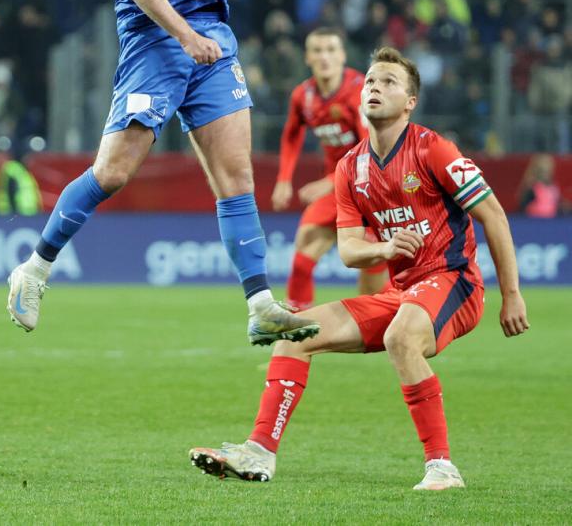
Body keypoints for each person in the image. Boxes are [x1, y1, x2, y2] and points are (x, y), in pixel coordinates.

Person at [6, 0, 353, 344]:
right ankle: (35, 268)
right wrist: (184, 35)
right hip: (157, 40)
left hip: (213, 39)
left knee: (235, 178)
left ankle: (260, 305)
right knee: (115, 172)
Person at [190, 46, 529, 489]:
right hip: (402, 293)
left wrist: (512, 294)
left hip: (454, 282)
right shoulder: (351, 167)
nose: (375, 87)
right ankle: (259, 452)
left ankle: (442, 467)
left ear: (410, 102)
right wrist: (385, 249)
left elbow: (494, 215)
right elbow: (349, 250)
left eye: (389, 82)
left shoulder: (435, 149)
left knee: (400, 337)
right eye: (370, 80)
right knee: (293, 333)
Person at [271, 27, 388, 308]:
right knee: (304, 247)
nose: (324, 57)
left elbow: (370, 151)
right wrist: (284, 179)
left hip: (373, 187)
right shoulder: (303, 96)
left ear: (343, 56)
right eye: (317, 50)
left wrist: (328, 181)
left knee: (371, 274)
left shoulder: (360, 92)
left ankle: (381, 317)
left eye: (331, 50)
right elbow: (291, 133)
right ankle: (298, 328)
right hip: (339, 187)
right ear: (307, 57)